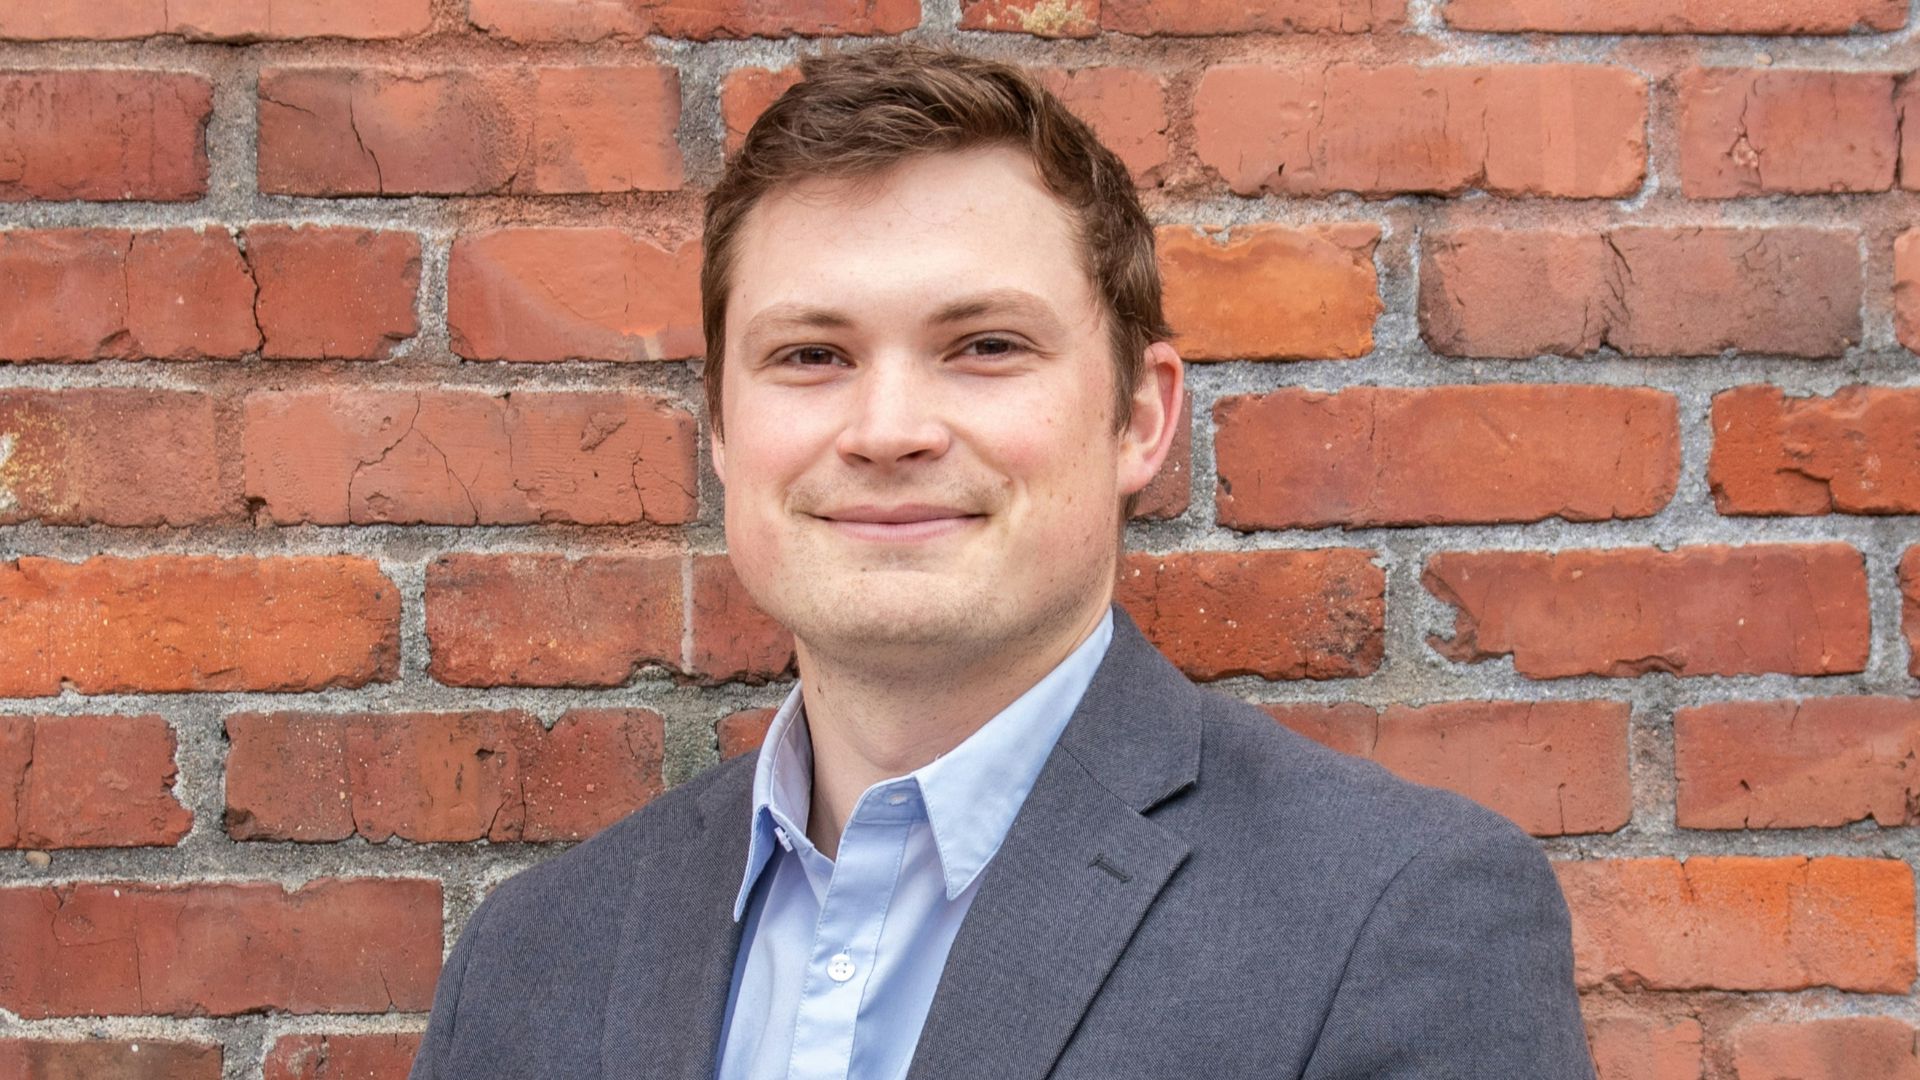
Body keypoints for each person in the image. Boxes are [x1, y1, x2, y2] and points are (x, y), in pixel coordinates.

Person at [407, 44, 1595, 1080]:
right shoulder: (530, 961)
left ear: (1138, 417)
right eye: (812, 355)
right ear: (719, 430)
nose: (886, 429)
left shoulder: (1397, 918)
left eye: (984, 345)